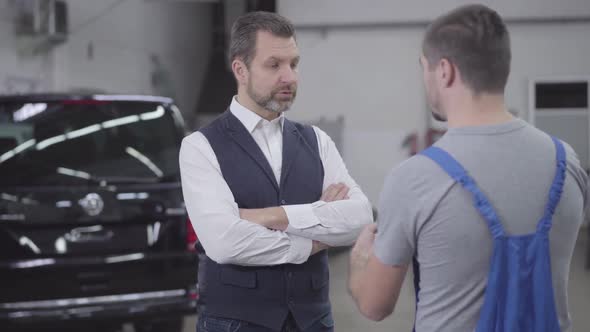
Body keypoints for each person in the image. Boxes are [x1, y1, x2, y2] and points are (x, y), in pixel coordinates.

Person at [348, 4, 588, 332]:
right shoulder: (568, 162)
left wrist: (360, 263)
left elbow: (375, 305)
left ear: (444, 71)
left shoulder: (414, 178)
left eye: (424, 67)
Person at [180, 11, 373, 332]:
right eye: (274, 65)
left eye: (294, 64)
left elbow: (361, 218)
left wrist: (269, 217)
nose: (290, 77)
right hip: (234, 323)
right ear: (240, 69)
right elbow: (224, 243)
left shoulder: (317, 141)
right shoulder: (200, 147)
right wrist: (314, 239)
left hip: (312, 320)